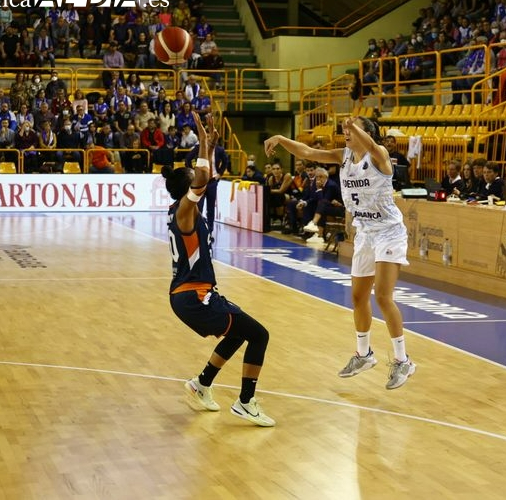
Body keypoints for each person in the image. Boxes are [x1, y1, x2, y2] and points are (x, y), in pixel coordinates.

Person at [265, 116, 416, 389]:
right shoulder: (343, 156)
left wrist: (353, 124)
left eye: (353, 129)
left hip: (389, 232)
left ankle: (402, 360)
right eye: (346, 129)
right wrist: (281, 138)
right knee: (358, 297)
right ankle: (364, 354)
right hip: (365, 233)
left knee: (383, 296)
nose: (346, 132)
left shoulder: (379, 155)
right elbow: (307, 152)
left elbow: (372, 145)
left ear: (366, 133)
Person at [163, 115, 275, 427]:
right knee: (259, 335)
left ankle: (202, 384)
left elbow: (204, 175)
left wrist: (209, 148)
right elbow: (202, 176)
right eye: (194, 178)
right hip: (193, 297)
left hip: (190, 295)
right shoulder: (185, 211)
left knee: (239, 332)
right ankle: (245, 402)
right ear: (187, 188)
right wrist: (202, 140)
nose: (202, 180)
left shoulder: (183, 209)